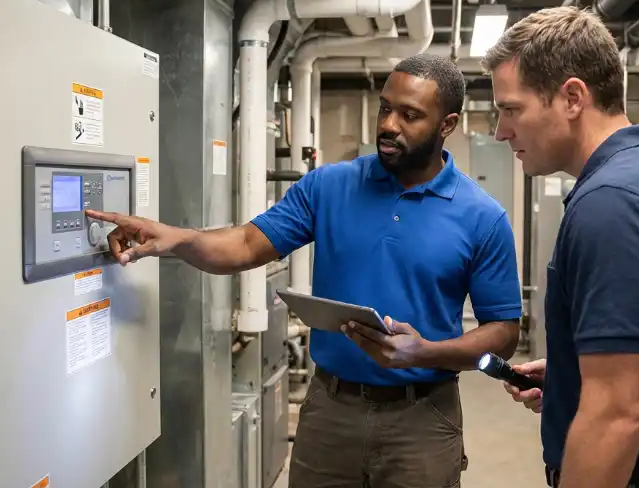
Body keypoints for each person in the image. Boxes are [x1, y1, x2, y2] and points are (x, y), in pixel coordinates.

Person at [87, 54, 522, 488]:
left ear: (447, 125)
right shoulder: (329, 186)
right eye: (386, 107)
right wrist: (175, 238)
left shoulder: (482, 217)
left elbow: (503, 331)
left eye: (410, 115)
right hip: (330, 412)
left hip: (422, 419)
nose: (390, 125)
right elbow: (243, 244)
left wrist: (424, 352)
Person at [481, 6, 639, 488]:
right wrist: (574, 374)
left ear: (572, 97)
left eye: (511, 110)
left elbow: (617, 414)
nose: (501, 131)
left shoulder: (612, 206)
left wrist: (601, 395)